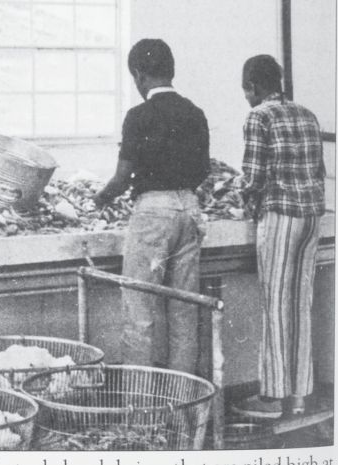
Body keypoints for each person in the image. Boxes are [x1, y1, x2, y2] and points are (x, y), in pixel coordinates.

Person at [92, 39, 210, 374]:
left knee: (139, 309)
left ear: (139, 75)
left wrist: (100, 199)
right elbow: (203, 169)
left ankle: (141, 410)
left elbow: (121, 177)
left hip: (153, 215)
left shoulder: (138, 116)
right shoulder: (195, 113)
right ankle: (183, 404)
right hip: (190, 209)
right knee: (185, 310)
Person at [231, 55, 326, 419]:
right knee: (301, 305)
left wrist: (237, 192)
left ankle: (271, 398)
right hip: (312, 216)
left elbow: (253, 177)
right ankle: (300, 396)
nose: (246, 97)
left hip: (281, 217)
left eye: (245, 90)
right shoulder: (307, 113)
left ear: (253, 86)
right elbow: (318, 170)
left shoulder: (259, 116)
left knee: (275, 305)